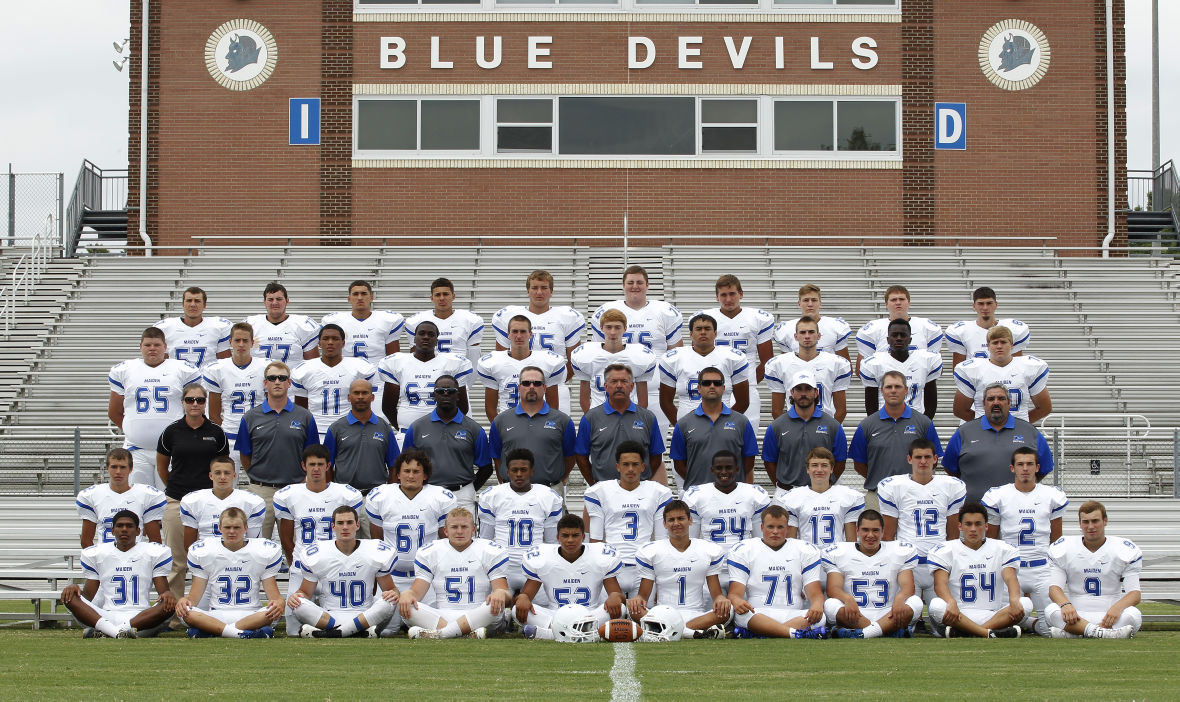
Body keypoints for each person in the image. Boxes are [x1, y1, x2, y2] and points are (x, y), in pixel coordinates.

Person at [274, 444, 365, 635]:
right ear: (303, 466)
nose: (316, 469)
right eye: (312, 464)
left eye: (320, 464)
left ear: (328, 466)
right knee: (292, 629)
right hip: (302, 566)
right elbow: (286, 536)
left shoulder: (345, 494)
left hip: (333, 567)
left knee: (339, 618)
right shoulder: (290, 494)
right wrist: (296, 561)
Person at [365, 449, 456, 635]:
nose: (411, 476)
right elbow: (377, 542)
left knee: (436, 624)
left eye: (416, 471)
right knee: (386, 631)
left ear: (425, 475)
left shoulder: (440, 498)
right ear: (397, 474)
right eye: (406, 471)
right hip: (392, 578)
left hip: (424, 579)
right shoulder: (381, 497)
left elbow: (445, 541)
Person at [982, 446, 1069, 635]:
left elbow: (1056, 539)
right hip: (1012, 568)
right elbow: (992, 539)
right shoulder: (999, 496)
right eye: (1020, 464)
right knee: (1002, 622)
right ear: (1012, 468)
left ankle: (1029, 623)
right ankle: (1026, 622)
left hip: (1041, 568)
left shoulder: (1051, 496)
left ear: (1037, 467)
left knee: (1052, 628)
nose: (1025, 468)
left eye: (1030, 464)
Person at [155, 383, 230, 598]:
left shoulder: (216, 432)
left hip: (208, 503)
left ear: (206, 403)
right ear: (183, 403)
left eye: (200, 400)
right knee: (177, 561)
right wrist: (178, 487)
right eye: (190, 400)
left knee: (210, 558)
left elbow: (221, 467)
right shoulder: (171, 431)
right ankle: (173, 615)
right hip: (177, 499)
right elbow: (162, 466)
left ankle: (209, 607)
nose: (195, 404)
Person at [876, 438, 965, 611]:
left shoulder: (950, 486)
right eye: (918, 457)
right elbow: (888, 534)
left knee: (941, 618)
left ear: (935, 459)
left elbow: (953, 533)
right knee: (908, 616)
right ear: (909, 459)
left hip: (938, 562)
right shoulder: (895, 486)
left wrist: (949, 560)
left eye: (927, 457)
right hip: (909, 562)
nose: (923, 461)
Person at [589, 265, 682, 429]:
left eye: (639, 282)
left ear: (647, 285)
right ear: (623, 285)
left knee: (654, 442)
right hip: (618, 386)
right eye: (630, 282)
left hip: (655, 387)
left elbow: (676, 353)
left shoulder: (664, 311)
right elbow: (599, 350)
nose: (635, 286)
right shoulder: (607, 311)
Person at [108, 326, 201, 489]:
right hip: (137, 450)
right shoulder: (125, 370)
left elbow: (195, 408)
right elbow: (114, 412)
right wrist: (134, 430)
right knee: (137, 499)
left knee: (171, 499)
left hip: (172, 450)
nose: (152, 349)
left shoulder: (182, 370)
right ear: (140, 347)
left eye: (157, 345)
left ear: (165, 347)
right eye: (148, 345)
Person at [235, 361, 320, 538]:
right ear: (265, 383)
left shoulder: (304, 416)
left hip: (294, 490)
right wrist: (259, 476)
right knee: (256, 544)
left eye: (282, 378)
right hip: (260, 491)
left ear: (289, 383)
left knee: (295, 546)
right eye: (272, 378)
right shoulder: (250, 417)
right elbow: (245, 455)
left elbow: (312, 455)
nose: (277, 382)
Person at [399, 508, 513, 639]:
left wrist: (500, 593)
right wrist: (408, 594)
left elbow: (505, 593)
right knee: (407, 607)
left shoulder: (489, 550)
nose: (459, 531)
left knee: (494, 607)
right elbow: (417, 593)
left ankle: (440, 634)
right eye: (454, 527)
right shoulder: (432, 551)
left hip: (479, 616)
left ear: (473, 530)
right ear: (446, 531)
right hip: (443, 615)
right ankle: (464, 634)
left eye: (464, 527)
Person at [288, 506, 400, 638]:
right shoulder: (318, 553)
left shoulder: (374, 550)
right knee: (299, 604)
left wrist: (392, 594)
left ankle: (334, 633)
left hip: (365, 614)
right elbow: (305, 592)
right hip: (329, 616)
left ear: (357, 525)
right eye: (340, 523)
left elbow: (392, 589)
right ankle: (357, 632)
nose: (345, 527)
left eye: (349, 522)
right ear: (333, 526)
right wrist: (296, 596)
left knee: (388, 602)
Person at [60, 510, 175, 638]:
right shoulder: (99, 554)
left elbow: (164, 593)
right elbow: (88, 597)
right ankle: (120, 632)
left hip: (141, 616)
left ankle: (108, 631)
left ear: (138, 531)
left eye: (129, 526)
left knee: (169, 603)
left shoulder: (152, 552)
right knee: (70, 596)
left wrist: (168, 595)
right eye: (120, 526)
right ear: (113, 531)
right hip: (107, 615)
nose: (124, 529)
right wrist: (75, 591)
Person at [582, 441, 674, 597]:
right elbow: (596, 541)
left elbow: (660, 541)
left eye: (635, 464)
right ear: (618, 467)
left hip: (643, 568)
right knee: (609, 615)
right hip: (612, 567)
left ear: (643, 467)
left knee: (645, 616)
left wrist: (659, 576)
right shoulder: (600, 491)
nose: (630, 469)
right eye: (625, 464)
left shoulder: (658, 492)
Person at [628, 501, 731, 639]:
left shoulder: (707, 550)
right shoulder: (652, 551)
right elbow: (643, 596)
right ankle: (692, 633)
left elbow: (716, 593)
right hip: (663, 613)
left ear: (690, 520)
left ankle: (669, 631)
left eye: (681, 518)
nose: (676, 523)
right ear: (664, 524)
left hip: (695, 614)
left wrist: (721, 599)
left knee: (728, 610)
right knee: (633, 609)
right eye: (671, 520)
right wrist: (637, 600)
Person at [176, 507, 284, 639]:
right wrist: (184, 601)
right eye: (227, 527)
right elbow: (193, 598)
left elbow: (275, 597)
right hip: (217, 614)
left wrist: (279, 603)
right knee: (185, 611)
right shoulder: (206, 551)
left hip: (251, 614)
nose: (232, 531)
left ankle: (213, 631)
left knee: (272, 611)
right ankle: (241, 633)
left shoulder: (262, 551)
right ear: (219, 528)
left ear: (245, 528)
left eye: (236, 527)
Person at [515, 514, 626, 640]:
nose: (570, 540)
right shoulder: (543, 558)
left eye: (575, 535)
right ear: (558, 537)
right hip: (554, 614)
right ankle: (588, 633)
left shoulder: (600, 556)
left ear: (583, 537)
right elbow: (526, 596)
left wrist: (615, 596)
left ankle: (550, 634)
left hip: (590, 614)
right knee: (516, 610)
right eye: (565, 535)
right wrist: (523, 597)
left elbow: (618, 595)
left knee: (620, 609)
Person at [927, 502, 1028, 638]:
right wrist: (951, 602)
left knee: (1025, 604)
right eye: (968, 524)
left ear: (986, 526)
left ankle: (970, 632)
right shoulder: (945, 550)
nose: (973, 529)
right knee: (936, 605)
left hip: (993, 614)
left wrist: (1014, 599)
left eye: (978, 524)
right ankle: (989, 633)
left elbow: (1011, 578)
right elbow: (940, 584)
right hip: (958, 614)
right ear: (960, 526)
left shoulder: (1002, 549)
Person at [942, 381, 1054, 503]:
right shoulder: (964, 432)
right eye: (991, 399)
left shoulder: (1030, 432)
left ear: (1009, 403)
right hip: (975, 513)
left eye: (1001, 398)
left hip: (1016, 510)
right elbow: (950, 468)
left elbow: (1043, 468)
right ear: (983, 404)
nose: (996, 402)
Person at [1044, 501, 1143, 639]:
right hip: (1075, 614)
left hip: (1110, 615)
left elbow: (1134, 594)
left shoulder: (1123, 549)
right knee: (1051, 610)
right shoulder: (1064, 548)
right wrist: (1065, 605)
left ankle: (1076, 634)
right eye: (1086, 522)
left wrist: (1117, 608)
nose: (1090, 526)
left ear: (1105, 521)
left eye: (1095, 521)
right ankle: (1104, 634)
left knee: (1133, 614)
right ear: (1080, 523)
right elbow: (1054, 588)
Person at [726, 505, 827, 639]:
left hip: (793, 613)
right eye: (770, 527)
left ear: (788, 529)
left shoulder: (804, 550)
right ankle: (793, 633)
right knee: (740, 613)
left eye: (780, 527)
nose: (775, 531)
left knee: (820, 617)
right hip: (758, 613)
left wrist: (817, 604)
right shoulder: (745, 550)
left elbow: (815, 593)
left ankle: (762, 633)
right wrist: (737, 601)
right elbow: (734, 594)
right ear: (762, 527)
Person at [492, 270, 586, 414]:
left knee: (556, 431)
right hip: (519, 385)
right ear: (528, 291)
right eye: (535, 288)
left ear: (551, 291)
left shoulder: (565, 318)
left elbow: (575, 360)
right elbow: (501, 357)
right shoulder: (510, 317)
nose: (539, 292)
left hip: (554, 386)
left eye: (544, 288)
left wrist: (553, 379)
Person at [849, 370, 942, 511]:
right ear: (882, 391)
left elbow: (932, 461)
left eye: (898, 387)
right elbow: (859, 464)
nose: (893, 391)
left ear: (906, 390)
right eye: (889, 387)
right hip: (878, 495)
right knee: (875, 534)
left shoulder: (923, 423)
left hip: (914, 495)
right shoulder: (867, 425)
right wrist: (880, 479)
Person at [822, 509, 923, 638]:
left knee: (915, 601)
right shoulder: (839, 552)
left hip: (889, 613)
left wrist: (899, 598)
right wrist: (847, 599)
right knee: (830, 604)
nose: (870, 535)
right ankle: (886, 632)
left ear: (882, 532)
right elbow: (833, 588)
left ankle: (863, 634)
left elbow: (908, 586)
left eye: (875, 530)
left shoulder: (899, 551)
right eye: (865, 530)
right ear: (857, 531)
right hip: (855, 613)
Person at [402, 375, 493, 513]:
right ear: (434, 395)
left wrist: (470, 489)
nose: (445, 394)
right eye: (440, 391)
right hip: (428, 493)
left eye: (450, 391)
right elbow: (406, 465)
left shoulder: (474, 429)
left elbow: (486, 468)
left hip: (462, 495)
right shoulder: (416, 428)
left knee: (462, 534)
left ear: (458, 395)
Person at [682, 450, 771, 591]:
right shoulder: (697, 495)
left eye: (728, 467)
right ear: (712, 470)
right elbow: (690, 540)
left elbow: (761, 540)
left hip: (743, 566)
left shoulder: (753, 494)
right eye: (719, 468)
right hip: (710, 568)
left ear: (737, 469)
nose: (724, 472)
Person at [477, 448, 564, 592]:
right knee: (494, 610)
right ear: (507, 472)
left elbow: (552, 544)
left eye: (523, 470)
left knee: (540, 610)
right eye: (514, 470)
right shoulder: (492, 496)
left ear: (532, 471)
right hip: (502, 567)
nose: (519, 474)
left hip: (535, 567)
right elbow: (485, 540)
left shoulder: (548, 496)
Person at [699, 274, 775, 432]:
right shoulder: (705, 319)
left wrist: (748, 381)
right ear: (717, 297)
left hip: (747, 386)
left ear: (741, 294)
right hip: (715, 386)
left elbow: (767, 361)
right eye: (723, 295)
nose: (728, 299)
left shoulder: (757, 319)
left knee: (746, 437)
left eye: (732, 293)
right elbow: (700, 355)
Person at [575, 364, 666, 485]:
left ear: (632, 386)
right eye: (614, 381)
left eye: (624, 381)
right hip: (603, 490)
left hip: (639, 491)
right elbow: (581, 456)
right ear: (606, 386)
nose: (619, 385)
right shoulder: (590, 418)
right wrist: (594, 483)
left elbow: (656, 455)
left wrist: (644, 481)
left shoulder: (647, 417)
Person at [669, 367, 758, 487]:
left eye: (717, 383)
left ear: (723, 388)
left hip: (732, 493)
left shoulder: (741, 422)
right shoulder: (684, 424)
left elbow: (749, 460)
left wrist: (729, 483)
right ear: (699, 388)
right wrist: (697, 483)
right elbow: (678, 464)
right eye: (706, 383)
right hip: (698, 495)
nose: (712, 386)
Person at [488, 366, 577, 487]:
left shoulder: (563, 421)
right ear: (519, 388)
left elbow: (570, 457)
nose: (531, 387)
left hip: (550, 491)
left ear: (544, 388)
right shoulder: (500, 421)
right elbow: (497, 458)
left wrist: (556, 481)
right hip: (511, 491)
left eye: (537, 383)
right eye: (526, 383)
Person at [379, 321, 473, 433]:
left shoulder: (453, 364)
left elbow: (462, 406)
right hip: (407, 431)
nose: (426, 337)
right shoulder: (397, 363)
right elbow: (388, 406)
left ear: (436, 341)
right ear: (414, 339)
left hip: (441, 433)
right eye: (421, 333)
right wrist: (403, 427)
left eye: (431, 335)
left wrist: (448, 429)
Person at [762, 371, 848, 494]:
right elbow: (769, 461)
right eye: (798, 389)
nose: (803, 393)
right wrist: (781, 486)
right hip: (787, 493)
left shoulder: (833, 425)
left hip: (821, 492)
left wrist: (826, 484)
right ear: (791, 392)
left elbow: (840, 461)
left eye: (808, 389)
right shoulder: (776, 426)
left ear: (816, 392)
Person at [659, 313, 750, 428]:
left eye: (707, 328)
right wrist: (680, 428)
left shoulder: (732, 358)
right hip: (687, 425)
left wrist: (725, 425)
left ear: (715, 333)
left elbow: (743, 402)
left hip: (722, 425)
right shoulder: (674, 358)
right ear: (691, 334)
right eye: (698, 329)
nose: (703, 332)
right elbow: (665, 402)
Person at [292, 324, 377, 441]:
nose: (330, 342)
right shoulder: (305, 369)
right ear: (319, 343)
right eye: (326, 339)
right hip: (316, 430)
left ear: (343, 343)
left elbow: (364, 404)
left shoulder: (359, 368)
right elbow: (301, 408)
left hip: (349, 430)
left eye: (335, 339)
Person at [203, 322, 268, 470]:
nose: (241, 344)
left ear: (252, 343)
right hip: (229, 436)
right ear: (230, 342)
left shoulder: (265, 367)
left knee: (259, 483)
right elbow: (213, 413)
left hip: (258, 435)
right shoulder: (218, 369)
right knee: (226, 485)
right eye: (237, 340)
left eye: (245, 340)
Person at [953, 326, 1052, 423]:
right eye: (995, 343)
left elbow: (1044, 408)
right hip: (985, 433)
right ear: (988, 346)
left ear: (1012, 345)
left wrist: (1021, 425)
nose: (999, 346)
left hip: (1018, 433)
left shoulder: (1028, 367)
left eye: (1003, 342)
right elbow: (960, 410)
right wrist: (984, 426)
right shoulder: (973, 370)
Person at [477, 314, 564, 423]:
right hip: (507, 422)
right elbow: (490, 408)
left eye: (523, 332)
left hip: (538, 423)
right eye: (514, 331)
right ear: (508, 334)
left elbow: (553, 407)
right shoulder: (493, 363)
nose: (518, 336)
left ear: (530, 334)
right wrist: (501, 429)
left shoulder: (547, 362)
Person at [765, 316, 851, 422]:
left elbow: (841, 410)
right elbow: (776, 410)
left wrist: (830, 429)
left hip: (824, 425)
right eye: (802, 332)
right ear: (796, 336)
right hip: (794, 426)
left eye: (811, 332)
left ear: (819, 336)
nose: (807, 336)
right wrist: (788, 429)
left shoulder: (835, 363)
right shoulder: (780, 364)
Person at [571, 308, 658, 412]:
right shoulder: (586, 354)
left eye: (617, 327)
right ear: (601, 328)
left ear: (625, 328)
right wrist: (592, 419)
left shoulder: (640, 356)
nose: (613, 332)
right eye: (609, 327)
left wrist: (634, 420)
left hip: (628, 415)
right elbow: (584, 400)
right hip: (598, 416)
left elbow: (643, 401)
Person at [324, 379, 401, 495]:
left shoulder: (384, 428)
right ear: (349, 397)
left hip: (376, 495)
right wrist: (331, 493)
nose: (360, 397)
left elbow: (394, 466)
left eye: (365, 393)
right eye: (356, 393)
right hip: (344, 496)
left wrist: (389, 494)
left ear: (372, 397)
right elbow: (327, 466)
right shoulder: (336, 428)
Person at [77, 448, 165, 548]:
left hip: (136, 559)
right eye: (114, 467)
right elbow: (86, 541)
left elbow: (155, 542)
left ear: (131, 469)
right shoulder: (93, 495)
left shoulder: (146, 495)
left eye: (123, 467)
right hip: (105, 558)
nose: (118, 472)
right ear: (107, 468)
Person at [777, 448, 864, 547]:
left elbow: (851, 544)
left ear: (831, 469)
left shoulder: (846, 496)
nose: (819, 470)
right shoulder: (794, 498)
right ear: (807, 469)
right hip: (807, 558)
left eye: (824, 465)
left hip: (836, 558)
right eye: (814, 465)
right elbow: (791, 542)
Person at [859, 318, 942, 420]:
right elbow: (871, 404)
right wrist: (878, 426)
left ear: (910, 339)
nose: (899, 338)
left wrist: (924, 424)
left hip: (915, 421)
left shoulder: (925, 360)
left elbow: (930, 401)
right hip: (885, 421)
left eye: (903, 335)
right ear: (888, 339)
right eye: (894, 335)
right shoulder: (875, 363)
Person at [854, 284, 943, 377]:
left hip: (918, 387)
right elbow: (862, 369)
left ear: (908, 302)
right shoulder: (873, 329)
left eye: (901, 299)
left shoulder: (926, 327)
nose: (898, 303)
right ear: (886, 304)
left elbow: (936, 366)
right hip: (886, 386)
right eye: (893, 300)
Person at [180, 456, 266, 547]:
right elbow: (189, 547)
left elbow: (254, 544)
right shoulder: (194, 501)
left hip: (239, 554)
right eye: (217, 473)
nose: (222, 477)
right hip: (207, 554)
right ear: (210, 476)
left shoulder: (251, 502)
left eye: (227, 473)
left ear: (234, 475)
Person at [945, 286, 1031, 368]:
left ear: (996, 305)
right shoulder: (961, 331)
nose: (985, 307)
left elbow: (1017, 365)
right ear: (974, 306)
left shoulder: (1012, 330)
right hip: (976, 381)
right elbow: (959, 370)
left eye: (989, 303)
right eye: (981, 304)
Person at [405, 277, 484, 364]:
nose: (442, 298)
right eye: (437, 295)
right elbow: (414, 357)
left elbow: (474, 357)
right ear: (432, 298)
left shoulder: (469, 320)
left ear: (453, 296)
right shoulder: (417, 321)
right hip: (429, 371)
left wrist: (472, 377)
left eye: (445, 294)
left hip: (458, 372)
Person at [244, 281, 320, 370]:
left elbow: (313, 365)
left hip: (292, 382)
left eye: (279, 299)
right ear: (264, 302)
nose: (275, 303)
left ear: (287, 301)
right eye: (270, 299)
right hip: (259, 381)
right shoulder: (251, 325)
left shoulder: (301, 325)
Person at [322, 279, 403, 361]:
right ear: (349, 299)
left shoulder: (387, 320)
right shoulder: (335, 321)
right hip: (346, 372)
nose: (360, 298)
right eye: (355, 294)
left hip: (377, 371)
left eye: (364, 294)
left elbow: (393, 359)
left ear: (371, 298)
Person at [153, 286, 231, 368]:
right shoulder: (166, 328)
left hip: (206, 379)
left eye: (197, 301)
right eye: (189, 301)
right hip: (178, 379)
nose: (192, 304)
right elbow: (161, 365)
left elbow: (225, 364)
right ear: (183, 304)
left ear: (204, 305)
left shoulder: (218, 327)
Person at [773, 284, 852, 363]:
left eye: (814, 300)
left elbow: (845, 366)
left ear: (820, 303)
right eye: (806, 300)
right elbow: (784, 366)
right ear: (799, 304)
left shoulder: (835, 327)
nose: (810, 304)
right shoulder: (786, 329)